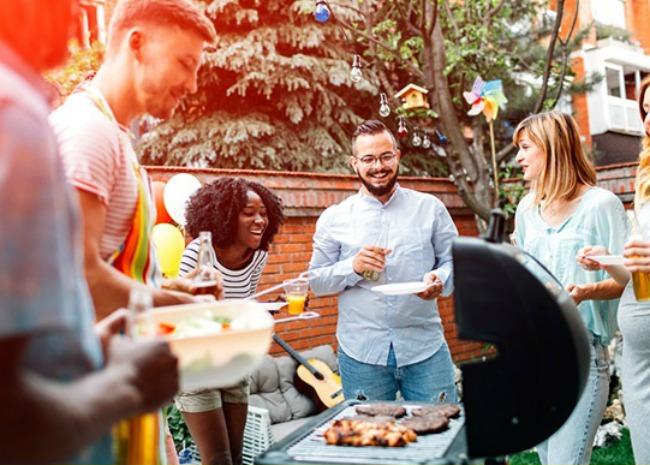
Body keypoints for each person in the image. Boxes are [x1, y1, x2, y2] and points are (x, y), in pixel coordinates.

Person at [0, 1, 178, 463]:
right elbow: (9, 418)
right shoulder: (16, 115)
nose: (81, 14)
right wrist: (126, 386)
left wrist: (90, 348)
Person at [50, 0, 221, 319]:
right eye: (185, 63)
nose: (192, 85)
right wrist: (183, 307)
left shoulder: (112, 133)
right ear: (137, 44)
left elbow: (110, 267)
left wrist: (174, 289)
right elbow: (78, 278)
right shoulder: (89, 131)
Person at [308, 119, 458, 402]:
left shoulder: (430, 208)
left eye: (385, 156)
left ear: (397, 155)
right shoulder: (334, 218)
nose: (378, 166)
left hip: (424, 348)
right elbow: (316, 281)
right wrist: (351, 267)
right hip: (361, 352)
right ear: (354, 163)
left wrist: (440, 279)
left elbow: (456, 262)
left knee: (442, 434)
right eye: (368, 159)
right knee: (370, 441)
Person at [512, 111, 627, 465]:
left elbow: (631, 283)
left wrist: (585, 292)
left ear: (553, 149)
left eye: (526, 147)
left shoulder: (600, 205)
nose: (518, 157)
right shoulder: (527, 209)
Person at [176, 177, 285, 465]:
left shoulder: (258, 254)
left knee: (236, 458)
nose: (260, 220)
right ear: (223, 216)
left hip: (234, 360)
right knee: (218, 460)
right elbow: (185, 318)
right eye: (249, 213)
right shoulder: (198, 256)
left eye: (263, 213)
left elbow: (244, 303)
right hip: (197, 364)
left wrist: (264, 312)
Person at [577, 76, 650, 464]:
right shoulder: (645, 183)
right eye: (646, 111)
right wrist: (611, 260)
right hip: (639, 355)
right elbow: (636, 280)